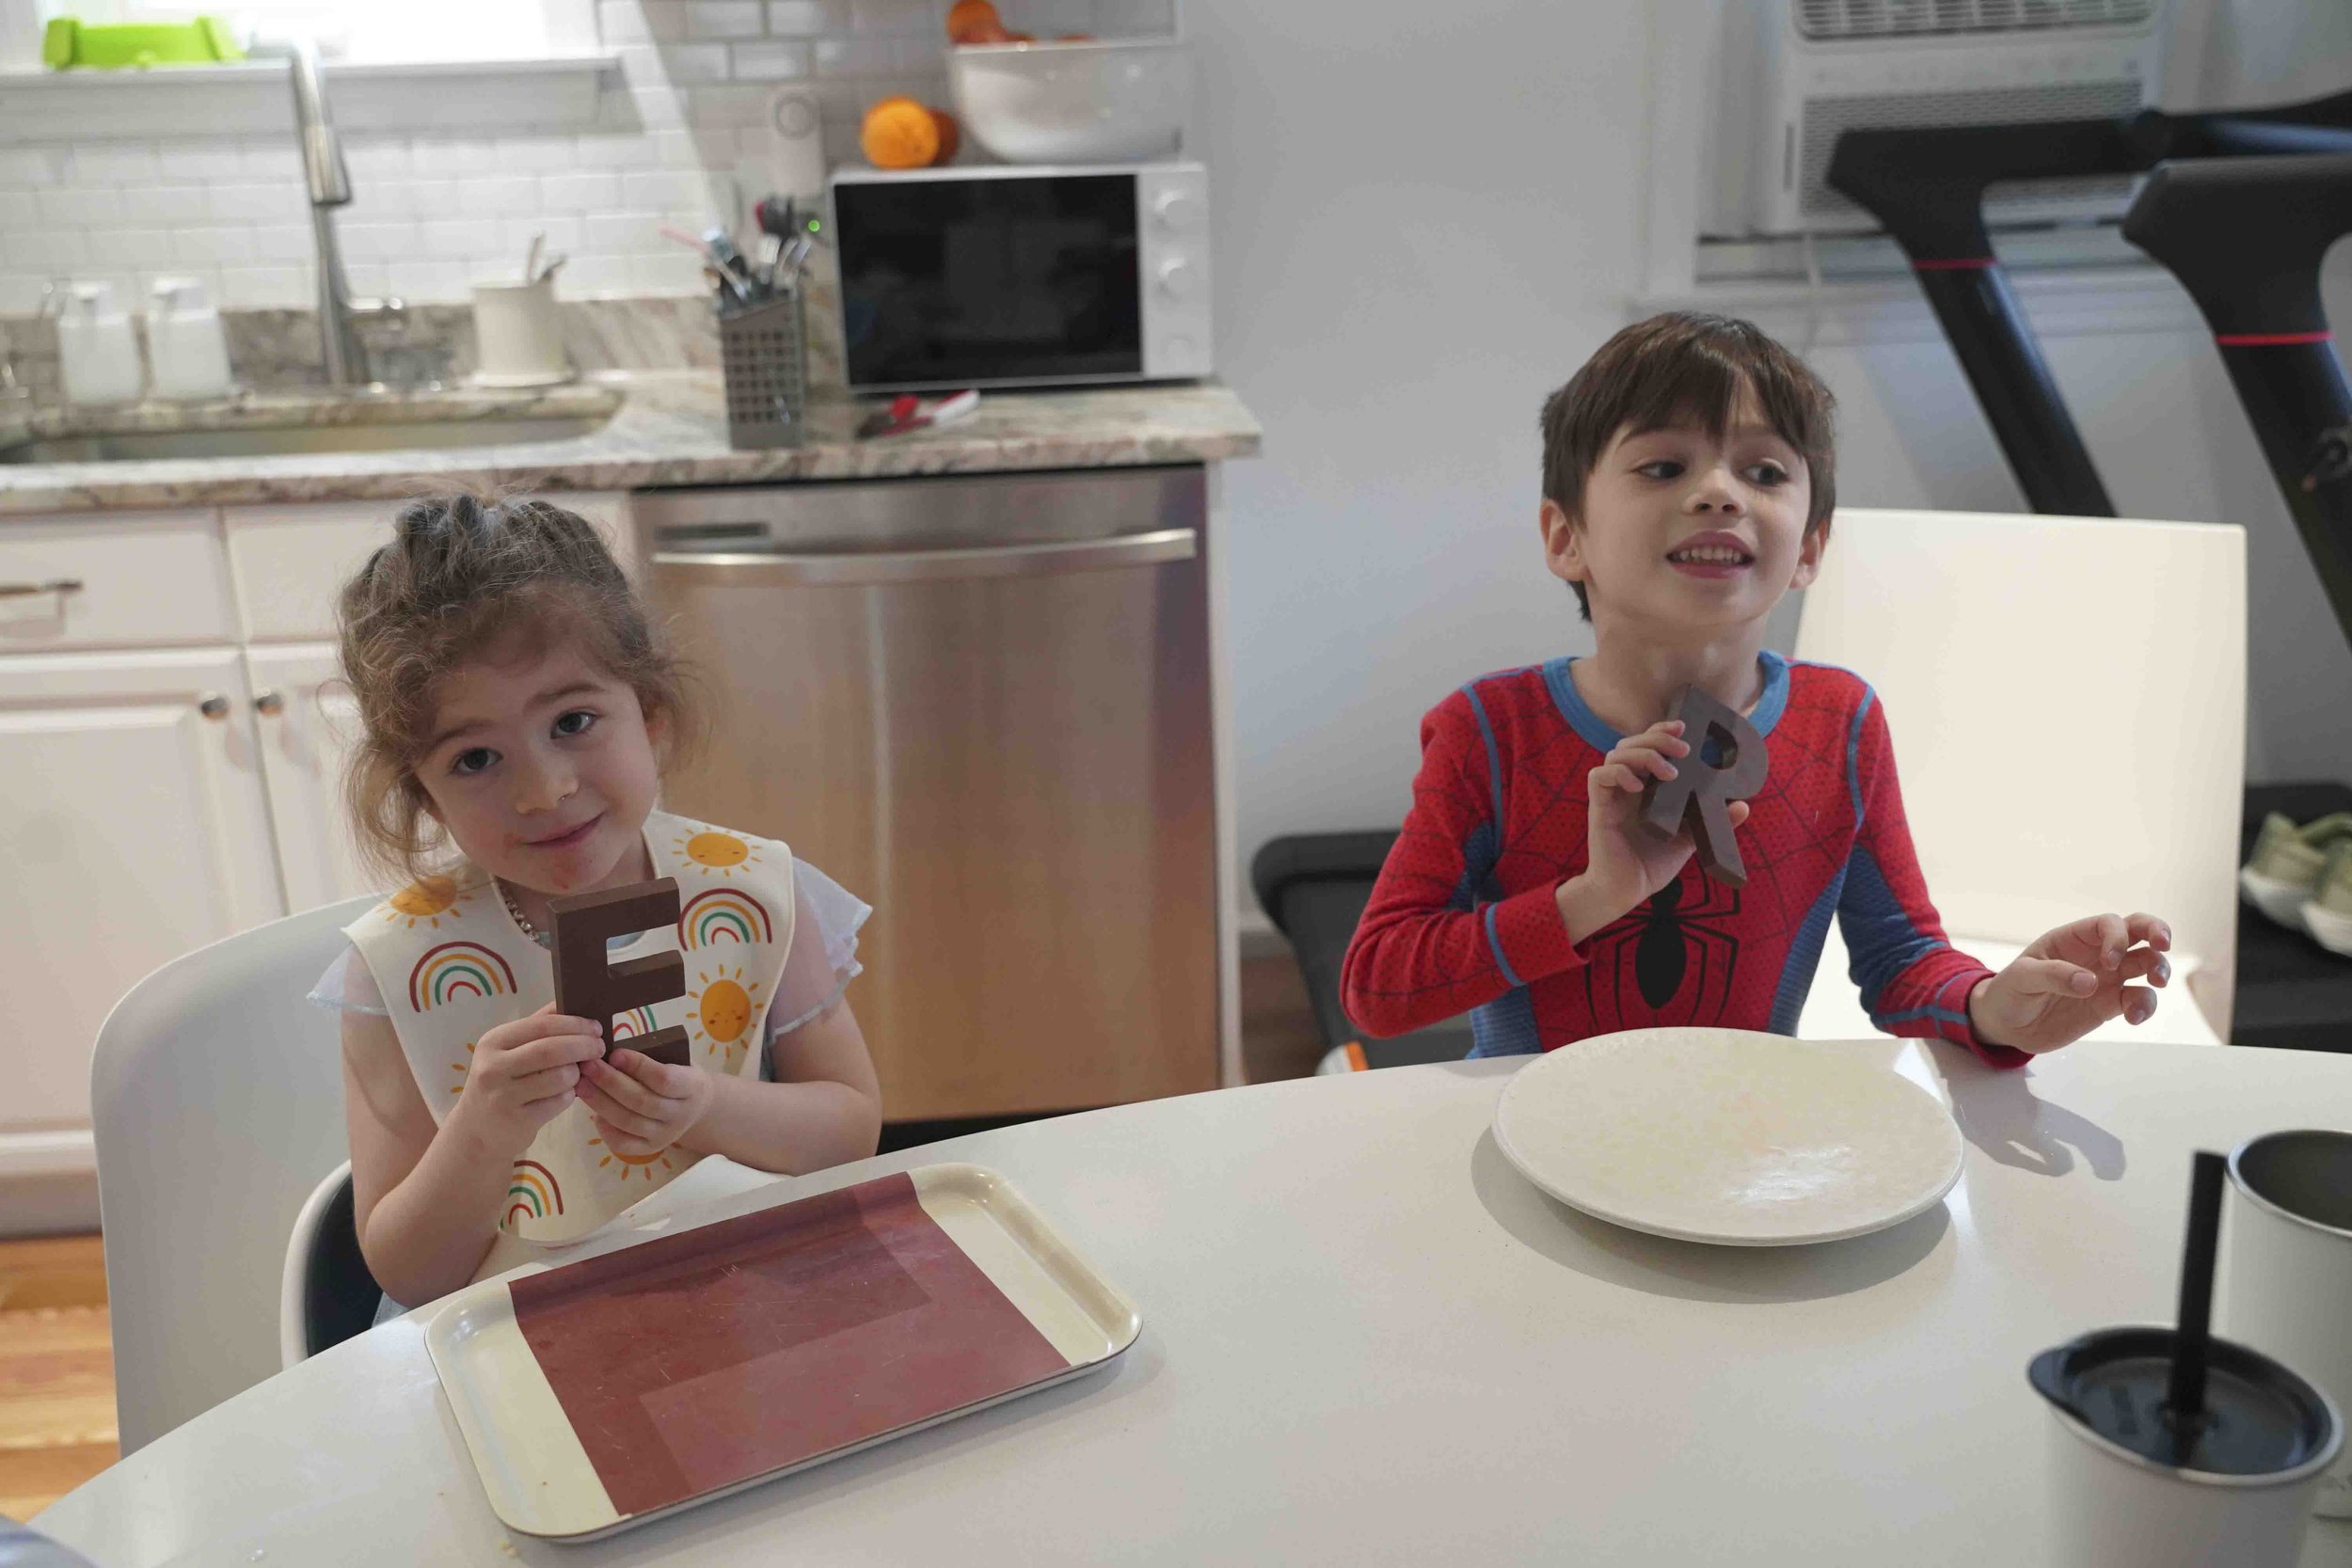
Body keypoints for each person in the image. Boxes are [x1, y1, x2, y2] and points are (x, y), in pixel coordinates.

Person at [1341, 312, 2172, 1064]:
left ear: (1810, 548)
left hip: (1745, 1141)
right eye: (1664, 465)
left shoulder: (1840, 721)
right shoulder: (1490, 730)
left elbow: (1900, 959)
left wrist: (1997, 1005)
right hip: (1529, 1138)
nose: (1718, 493)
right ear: (1566, 536)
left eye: (1766, 472)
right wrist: (1594, 898)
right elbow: (1377, 986)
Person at [310, 494, 882, 1308]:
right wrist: (485, 1129)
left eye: (573, 720)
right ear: (424, 795)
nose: (545, 790)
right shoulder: (399, 973)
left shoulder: (751, 895)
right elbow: (409, 1271)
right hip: (516, 1337)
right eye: (475, 759)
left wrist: (709, 1106)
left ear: (648, 716)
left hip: (744, 1300)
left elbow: (851, 1129)